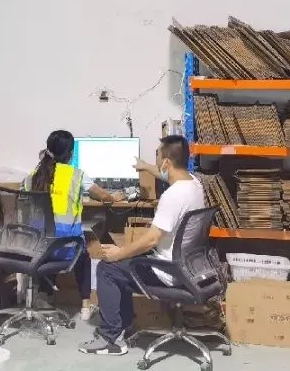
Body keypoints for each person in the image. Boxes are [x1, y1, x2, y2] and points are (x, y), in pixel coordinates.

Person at [78, 135, 204, 356]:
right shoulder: (194, 184)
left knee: (107, 268)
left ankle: (111, 339)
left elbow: (152, 240)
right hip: (187, 266)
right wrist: (145, 166)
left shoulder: (173, 196)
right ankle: (125, 325)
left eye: (157, 156)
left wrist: (119, 253)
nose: (156, 161)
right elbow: (165, 174)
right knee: (124, 262)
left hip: (167, 272)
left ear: (166, 162)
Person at [22, 130, 123, 321]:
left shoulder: (32, 176)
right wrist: (114, 197)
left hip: (36, 248)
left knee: (50, 238)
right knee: (83, 254)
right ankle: (85, 306)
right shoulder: (76, 175)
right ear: (70, 154)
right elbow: (102, 195)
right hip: (66, 249)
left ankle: (44, 296)